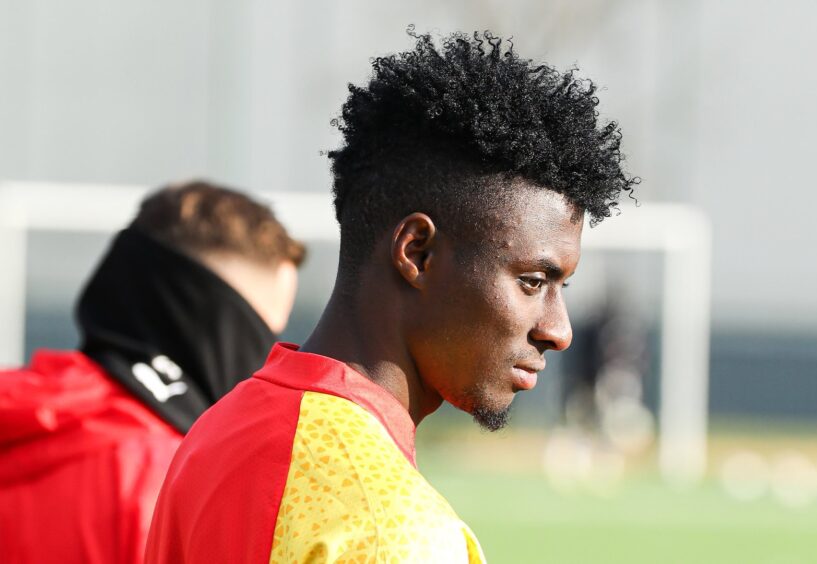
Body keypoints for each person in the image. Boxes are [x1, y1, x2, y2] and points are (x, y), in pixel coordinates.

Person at [146, 29, 636, 563]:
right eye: (533, 282)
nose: (559, 331)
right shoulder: (392, 532)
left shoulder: (221, 429)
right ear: (417, 253)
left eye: (562, 288)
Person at [0, 181, 306, 564]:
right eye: (264, 334)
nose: (269, 358)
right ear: (213, 322)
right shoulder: (174, 484)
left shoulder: (23, 409)